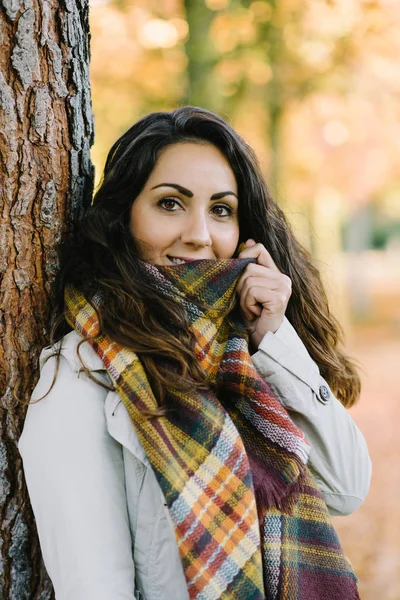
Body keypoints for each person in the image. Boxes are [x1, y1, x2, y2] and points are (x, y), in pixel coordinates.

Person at [18, 106, 371, 600]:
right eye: (170, 204)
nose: (199, 235)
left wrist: (272, 334)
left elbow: (346, 487)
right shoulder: (81, 375)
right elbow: (94, 586)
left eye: (221, 210)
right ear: (123, 219)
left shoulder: (246, 356)